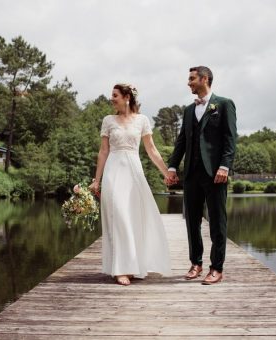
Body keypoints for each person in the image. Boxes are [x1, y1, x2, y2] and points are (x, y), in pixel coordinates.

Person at [89, 83, 172, 286]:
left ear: (127, 97)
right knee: (119, 216)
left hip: (134, 172)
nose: (111, 98)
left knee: (133, 218)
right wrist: (96, 180)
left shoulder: (142, 120)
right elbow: (103, 151)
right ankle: (120, 269)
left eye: (115, 95)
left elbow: (151, 149)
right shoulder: (108, 120)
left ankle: (132, 264)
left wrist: (167, 172)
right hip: (113, 171)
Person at [167, 66, 237, 285]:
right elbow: (182, 142)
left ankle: (216, 268)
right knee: (192, 222)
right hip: (191, 174)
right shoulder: (188, 110)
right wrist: (172, 167)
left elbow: (230, 139)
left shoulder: (224, 104)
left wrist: (224, 166)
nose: (188, 83)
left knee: (217, 222)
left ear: (204, 79)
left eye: (191, 79)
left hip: (215, 173)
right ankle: (195, 263)